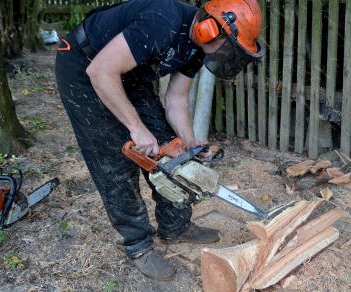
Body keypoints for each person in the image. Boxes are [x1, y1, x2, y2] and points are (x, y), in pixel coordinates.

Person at [55, 0, 264, 281]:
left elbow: (176, 100)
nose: (227, 55)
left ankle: (175, 226)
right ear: (208, 28)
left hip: (128, 73)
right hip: (86, 65)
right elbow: (101, 72)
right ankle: (138, 245)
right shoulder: (161, 21)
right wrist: (135, 128)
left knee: (171, 149)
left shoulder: (197, 49)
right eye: (228, 47)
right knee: (115, 160)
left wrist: (190, 143)